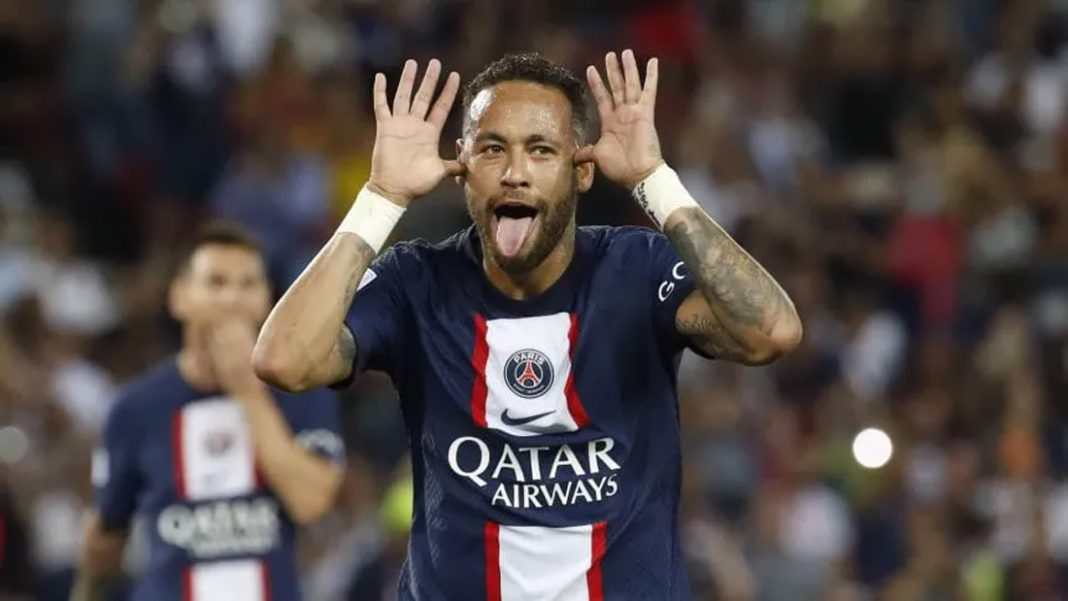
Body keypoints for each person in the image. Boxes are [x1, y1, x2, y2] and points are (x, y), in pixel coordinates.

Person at [254, 50, 802, 599]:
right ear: (462, 164)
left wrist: (654, 181)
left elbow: (770, 331)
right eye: (493, 149)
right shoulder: (415, 282)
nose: (514, 173)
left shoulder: (637, 269)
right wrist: (380, 199)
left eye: (540, 150)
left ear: (581, 169)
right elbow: (284, 359)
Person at [72, 223, 345, 601]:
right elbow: (104, 536)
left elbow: (311, 504)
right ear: (179, 297)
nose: (232, 297)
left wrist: (248, 392)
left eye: (248, 284)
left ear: (266, 299)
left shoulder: (301, 390)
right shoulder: (134, 409)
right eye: (216, 282)